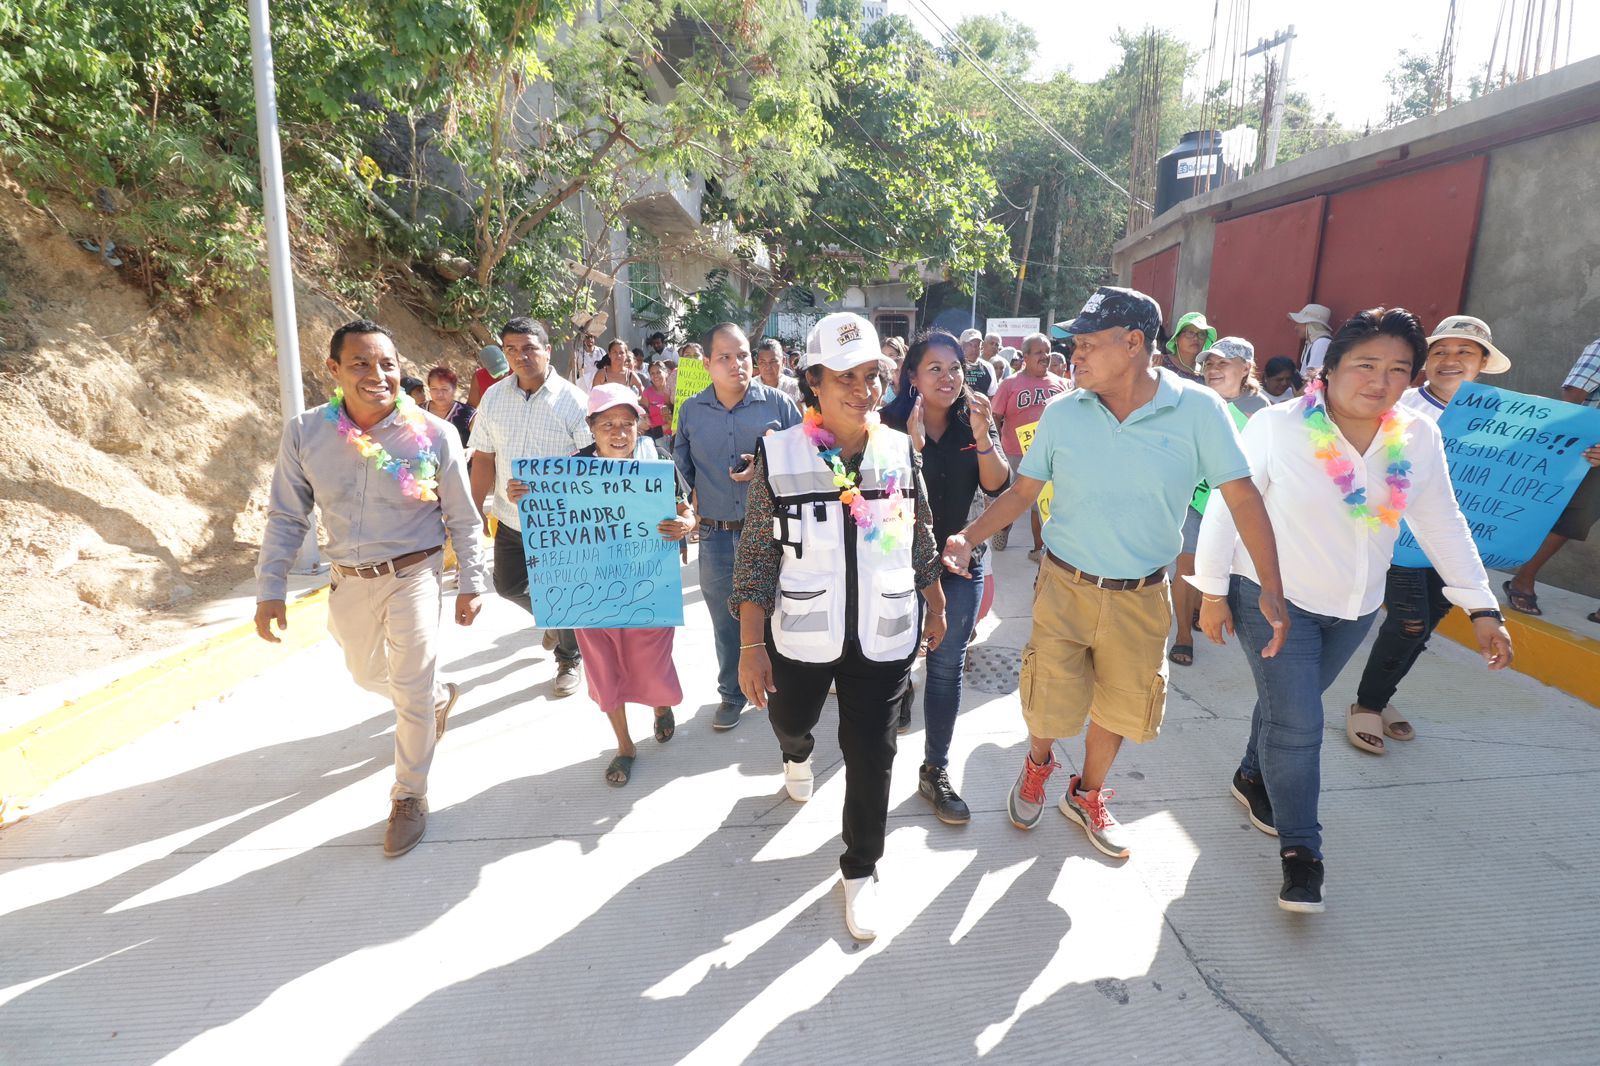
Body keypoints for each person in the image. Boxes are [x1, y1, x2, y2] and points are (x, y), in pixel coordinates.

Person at [941, 286, 1285, 860]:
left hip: (1143, 596)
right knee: (1048, 698)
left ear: (1133, 345)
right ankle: (1038, 766)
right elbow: (1024, 490)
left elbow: (1243, 497)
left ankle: (1088, 794)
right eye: (1073, 345)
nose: (1073, 356)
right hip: (1064, 585)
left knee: (1123, 704)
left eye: (1087, 345)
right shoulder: (1061, 413)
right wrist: (968, 537)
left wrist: (1269, 585)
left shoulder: (1199, 410)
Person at [1190, 307, 1512, 914]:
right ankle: (1301, 855)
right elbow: (1231, 507)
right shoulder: (1278, 428)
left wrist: (1481, 607)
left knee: (1290, 701)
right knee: (1300, 722)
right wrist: (1209, 591)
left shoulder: (1418, 437)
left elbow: (1441, 520)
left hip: (1357, 606)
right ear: (1329, 369)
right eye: (1365, 364)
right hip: (1272, 597)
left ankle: (1251, 774)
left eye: (1397, 369)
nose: (1380, 380)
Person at [733, 311, 947, 941]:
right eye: (845, 377)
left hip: (882, 633)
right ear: (815, 383)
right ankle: (795, 753)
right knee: (791, 718)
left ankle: (861, 869)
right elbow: (756, 556)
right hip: (803, 632)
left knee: (873, 752)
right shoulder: (780, 454)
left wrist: (934, 601)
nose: (863, 389)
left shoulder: (898, 449)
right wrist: (751, 646)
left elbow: (920, 531)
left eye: (871, 376)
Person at [254, 320, 487, 858]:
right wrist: (271, 586)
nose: (377, 375)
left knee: (407, 685)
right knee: (366, 675)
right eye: (360, 363)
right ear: (333, 370)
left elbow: (463, 517)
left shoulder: (433, 433)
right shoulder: (305, 432)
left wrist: (472, 581)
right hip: (348, 580)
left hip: (415, 572)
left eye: (387, 363)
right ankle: (434, 700)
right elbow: (288, 514)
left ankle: (409, 795)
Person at [503, 383, 695, 786]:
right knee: (605, 671)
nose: (619, 432)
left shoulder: (655, 460)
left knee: (652, 666)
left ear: (639, 426)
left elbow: (686, 509)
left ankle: (660, 707)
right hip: (588, 591)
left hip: (648, 588)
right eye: (608, 423)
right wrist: (524, 494)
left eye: (628, 423)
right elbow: (544, 513)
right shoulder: (568, 471)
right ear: (591, 427)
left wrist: (686, 524)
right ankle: (625, 746)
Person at [1343, 315, 1514, 748]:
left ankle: (1381, 700)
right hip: (1399, 539)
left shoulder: (1505, 415)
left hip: (1456, 539)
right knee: (1411, 622)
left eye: (1464, 352)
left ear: (1482, 362)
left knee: (1428, 624)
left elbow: (1530, 466)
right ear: (1426, 361)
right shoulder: (1400, 408)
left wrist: (1580, 456)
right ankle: (1366, 705)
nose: (1450, 359)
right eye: (1440, 351)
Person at [881, 330, 1008, 824]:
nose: (947, 377)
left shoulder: (971, 420)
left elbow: (998, 485)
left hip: (958, 564)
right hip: (896, 566)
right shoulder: (886, 424)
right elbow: (878, 505)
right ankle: (878, 756)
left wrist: (981, 432)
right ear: (912, 376)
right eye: (934, 368)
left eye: (954, 367)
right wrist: (909, 450)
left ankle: (935, 769)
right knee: (892, 662)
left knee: (945, 666)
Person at [674, 322, 802, 730]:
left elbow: (811, 458)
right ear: (708, 364)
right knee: (726, 622)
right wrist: (682, 511)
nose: (736, 364)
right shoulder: (691, 411)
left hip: (776, 535)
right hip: (716, 535)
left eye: (742, 355)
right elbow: (680, 474)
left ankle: (786, 687)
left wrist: (765, 465)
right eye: (725, 358)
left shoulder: (780, 405)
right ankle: (732, 692)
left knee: (784, 612)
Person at [468, 316, 592, 696]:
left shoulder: (573, 401)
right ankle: (556, 625)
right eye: (512, 350)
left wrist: (548, 487)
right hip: (509, 516)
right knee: (507, 586)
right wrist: (471, 511)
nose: (521, 357)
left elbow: (591, 462)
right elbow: (484, 458)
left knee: (562, 591)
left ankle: (569, 659)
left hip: (560, 523)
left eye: (529, 348)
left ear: (547, 350)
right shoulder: (493, 397)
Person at [1171, 336, 1271, 668]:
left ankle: (1205, 607)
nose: (1213, 369)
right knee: (1186, 566)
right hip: (1195, 500)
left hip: (1236, 504)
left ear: (1246, 368)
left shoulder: (1263, 411)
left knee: (1218, 567)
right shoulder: (1195, 400)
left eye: (1222, 363)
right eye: (1209, 363)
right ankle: (1184, 635)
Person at [1504, 335, 1600, 621]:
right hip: (1594, 454)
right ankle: (1523, 580)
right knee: (1571, 521)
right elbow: (1573, 395)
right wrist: (1583, 443)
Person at [991, 331, 1070, 558]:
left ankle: (1038, 549)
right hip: (1015, 451)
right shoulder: (1010, 384)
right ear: (1025, 356)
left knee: (1041, 503)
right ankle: (1003, 527)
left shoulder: (1061, 385)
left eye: (1047, 351)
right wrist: (997, 447)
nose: (1045, 356)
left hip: (1049, 454)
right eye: (1039, 352)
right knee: (1011, 498)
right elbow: (995, 416)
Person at [424, 366, 475, 448]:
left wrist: (470, 451)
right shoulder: (419, 411)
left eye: (444, 389)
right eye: (434, 388)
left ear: (454, 389)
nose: (439, 394)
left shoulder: (468, 415)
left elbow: (482, 445)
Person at [1162, 311, 1215, 382]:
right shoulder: (1159, 362)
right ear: (1176, 339)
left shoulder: (1206, 372)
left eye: (1201, 334)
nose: (1196, 338)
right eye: (1190, 333)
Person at [1289, 302, 1333, 379]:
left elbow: (1313, 378)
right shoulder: (1315, 343)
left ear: (1310, 325)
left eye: (1300, 323)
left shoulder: (1321, 343)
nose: (1296, 328)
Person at [642, 360, 675, 454]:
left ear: (666, 372)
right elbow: (644, 416)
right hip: (658, 436)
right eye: (652, 373)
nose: (655, 375)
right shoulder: (647, 393)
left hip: (676, 435)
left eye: (658, 372)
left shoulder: (673, 390)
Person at [757, 337, 801, 404]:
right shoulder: (749, 388)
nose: (768, 367)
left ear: (783, 361)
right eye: (763, 362)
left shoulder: (794, 387)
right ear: (758, 363)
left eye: (773, 361)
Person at [467, 344, 510, 408]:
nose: (502, 375)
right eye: (497, 373)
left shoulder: (519, 371)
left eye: (505, 370)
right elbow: (470, 407)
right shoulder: (479, 378)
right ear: (486, 368)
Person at [959, 328, 998, 397]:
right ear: (961, 346)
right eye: (970, 345)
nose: (974, 349)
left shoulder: (988, 367)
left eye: (977, 345)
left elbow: (992, 395)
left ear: (981, 347)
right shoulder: (954, 365)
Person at [880, 335, 908, 405]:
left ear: (899, 356)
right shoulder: (877, 380)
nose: (886, 359)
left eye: (891, 355)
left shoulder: (909, 377)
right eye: (883, 355)